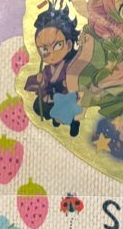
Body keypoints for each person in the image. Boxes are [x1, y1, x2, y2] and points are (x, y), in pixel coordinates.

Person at [25, 7, 81, 137]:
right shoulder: (47, 70)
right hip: (53, 98)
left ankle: (73, 122)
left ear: (68, 45)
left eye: (57, 45)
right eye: (44, 50)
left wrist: (69, 84)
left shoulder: (70, 66)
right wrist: (38, 80)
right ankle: (56, 118)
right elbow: (33, 84)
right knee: (38, 106)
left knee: (70, 107)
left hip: (67, 99)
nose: (51, 53)